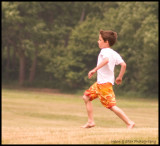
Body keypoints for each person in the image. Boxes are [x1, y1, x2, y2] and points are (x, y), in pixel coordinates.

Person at [81, 30, 135, 129]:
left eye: (100, 39)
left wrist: (94, 69)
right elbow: (123, 64)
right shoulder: (114, 53)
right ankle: (90, 122)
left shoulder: (104, 51)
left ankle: (129, 122)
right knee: (86, 97)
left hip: (104, 85)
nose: (98, 41)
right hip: (99, 84)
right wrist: (119, 77)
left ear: (106, 42)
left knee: (111, 106)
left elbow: (106, 60)